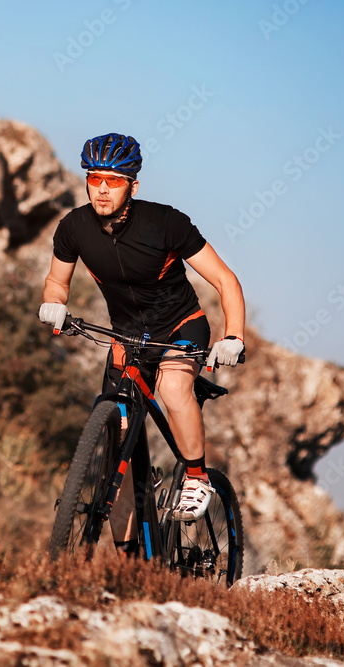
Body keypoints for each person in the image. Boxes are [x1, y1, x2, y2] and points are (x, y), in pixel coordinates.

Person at [38, 133, 246, 553]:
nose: (100, 188)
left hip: (179, 328)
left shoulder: (166, 223)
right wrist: (53, 304)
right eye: (94, 178)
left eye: (113, 181)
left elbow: (225, 281)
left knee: (172, 388)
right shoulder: (74, 227)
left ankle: (196, 476)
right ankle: (134, 567)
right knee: (120, 458)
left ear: (133, 186)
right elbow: (57, 282)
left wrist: (234, 335)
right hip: (127, 338)